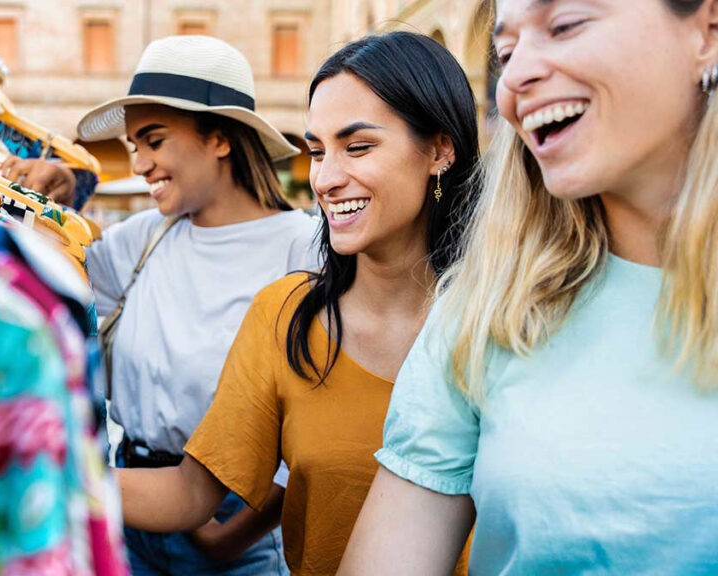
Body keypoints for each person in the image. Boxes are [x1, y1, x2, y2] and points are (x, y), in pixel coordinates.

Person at [337, 1, 718, 575]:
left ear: (707, 29)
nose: (513, 79)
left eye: (564, 25)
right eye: (506, 52)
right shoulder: (484, 313)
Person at [114, 32, 480, 576]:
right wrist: (16, 468)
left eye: (357, 147)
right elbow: (191, 494)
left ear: (440, 150)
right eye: (316, 150)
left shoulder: (507, 325)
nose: (326, 179)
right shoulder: (284, 315)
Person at [70, 35, 319, 575]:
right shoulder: (143, 239)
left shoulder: (301, 249)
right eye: (134, 145)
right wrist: (60, 188)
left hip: (231, 531)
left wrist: (233, 537)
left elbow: (313, 424)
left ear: (219, 139)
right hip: (123, 509)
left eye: (153, 141)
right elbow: (51, 291)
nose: (139, 164)